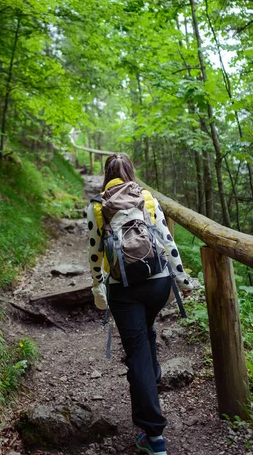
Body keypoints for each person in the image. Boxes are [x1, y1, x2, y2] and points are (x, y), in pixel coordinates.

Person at [87, 153, 193, 455]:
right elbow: (166, 239)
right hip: (158, 283)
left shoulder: (97, 205)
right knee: (145, 331)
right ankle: (151, 373)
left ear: (106, 175)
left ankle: (153, 434)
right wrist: (182, 280)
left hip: (125, 288)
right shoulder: (146, 196)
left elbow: (95, 255)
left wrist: (99, 289)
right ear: (131, 172)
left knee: (137, 353)